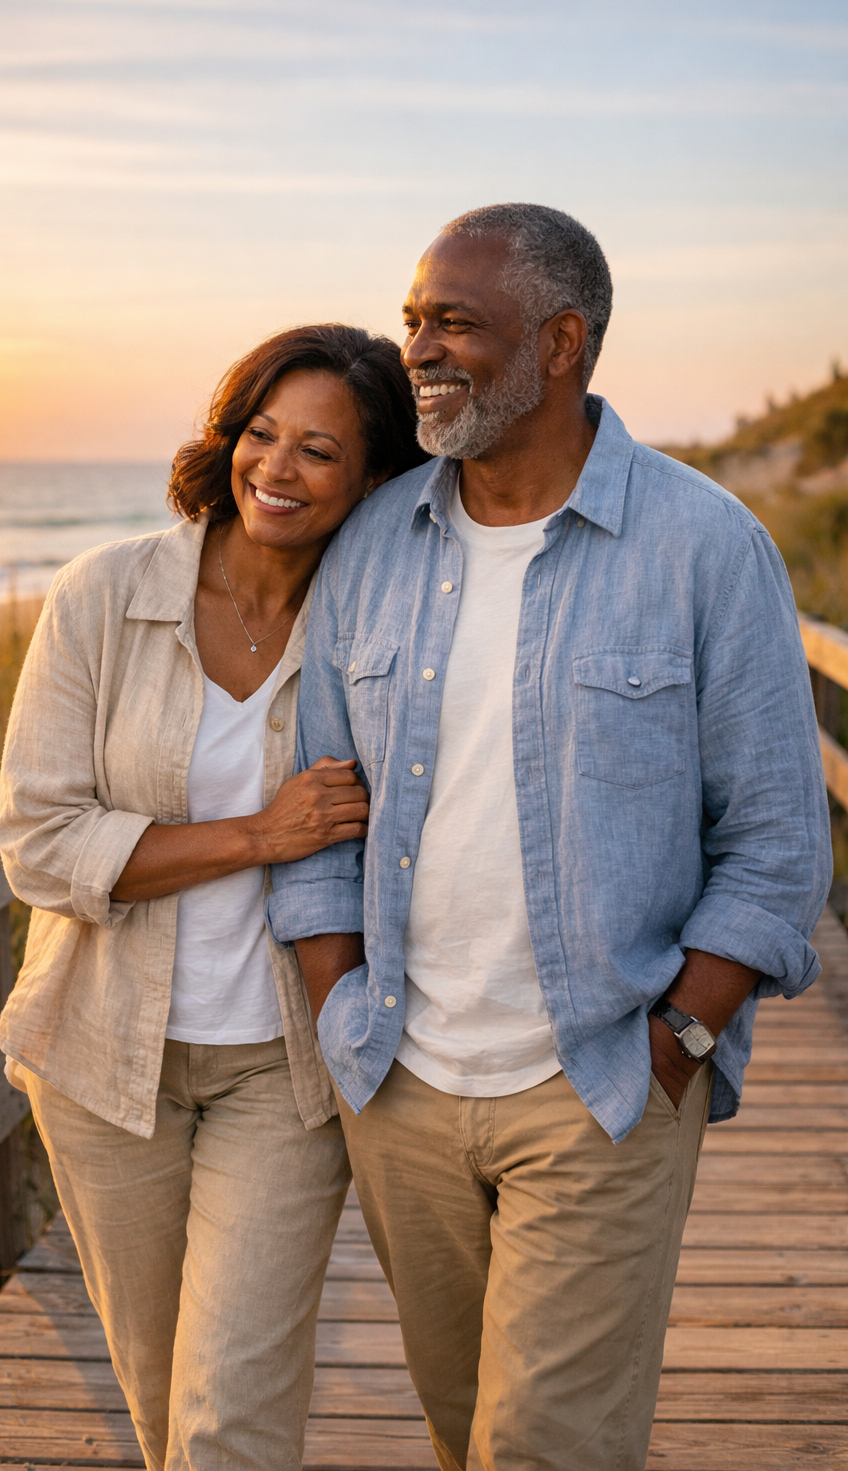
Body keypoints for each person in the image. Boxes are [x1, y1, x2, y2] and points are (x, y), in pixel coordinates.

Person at [268, 205, 831, 1471]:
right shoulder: (370, 546)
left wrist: (679, 1041)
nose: (417, 350)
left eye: (453, 323)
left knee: (546, 1447)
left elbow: (779, 844)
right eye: (411, 320)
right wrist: (343, 1009)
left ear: (561, 343)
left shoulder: (704, 546)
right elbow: (320, 816)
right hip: (401, 1080)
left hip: (604, 1081)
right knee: (461, 1426)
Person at [0, 323, 427, 1471]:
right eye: (260, 434)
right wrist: (258, 836)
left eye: (318, 451)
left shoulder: (382, 632)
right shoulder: (102, 596)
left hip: (281, 1066)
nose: (275, 469)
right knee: (162, 1401)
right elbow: (38, 844)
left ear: (375, 478)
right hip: (101, 1059)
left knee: (228, 1411)